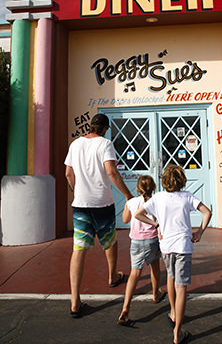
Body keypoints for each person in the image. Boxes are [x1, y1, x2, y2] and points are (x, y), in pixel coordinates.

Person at [65, 113, 133, 317]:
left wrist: (76, 190)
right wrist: (128, 195)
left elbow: (69, 173)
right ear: (104, 128)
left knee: (79, 249)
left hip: (81, 205)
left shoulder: (75, 144)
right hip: (102, 203)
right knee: (110, 241)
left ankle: (75, 301)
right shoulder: (105, 144)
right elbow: (111, 171)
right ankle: (113, 276)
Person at [135, 164, 212, 344]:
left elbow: (138, 214)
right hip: (183, 247)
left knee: (170, 277)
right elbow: (207, 212)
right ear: (181, 180)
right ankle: (178, 331)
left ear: (164, 181)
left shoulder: (159, 198)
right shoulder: (187, 197)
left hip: (166, 247)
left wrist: (156, 225)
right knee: (181, 287)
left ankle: (172, 312)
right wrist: (199, 232)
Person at [118, 175, 166, 326]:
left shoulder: (132, 202)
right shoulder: (155, 202)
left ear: (138, 188)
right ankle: (156, 293)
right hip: (152, 240)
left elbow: (125, 219)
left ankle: (126, 307)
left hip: (136, 242)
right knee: (154, 267)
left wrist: (128, 206)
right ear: (153, 188)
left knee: (134, 274)